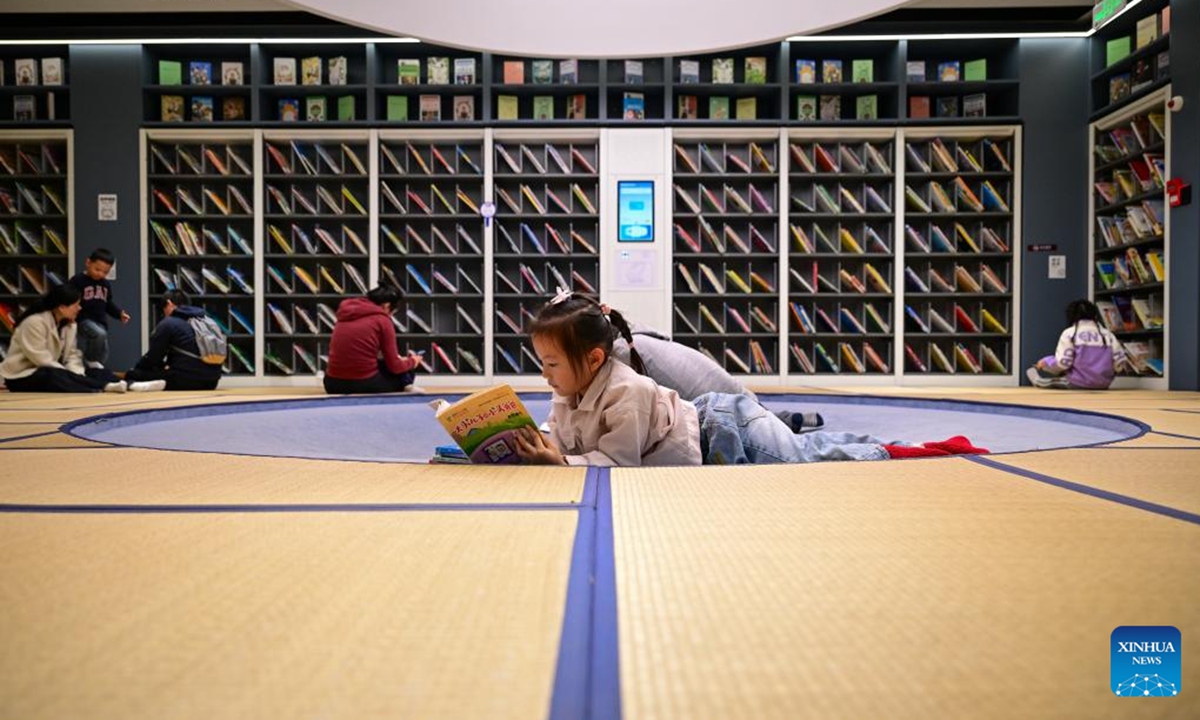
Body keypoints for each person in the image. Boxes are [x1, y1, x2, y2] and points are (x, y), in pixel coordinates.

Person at [513, 290, 987, 466]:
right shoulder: (571, 391)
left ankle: (905, 451)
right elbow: (566, 437)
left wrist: (560, 465)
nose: (545, 374)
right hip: (710, 425)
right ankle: (879, 442)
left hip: (725, 428)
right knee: (810, 448)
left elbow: (618, 463)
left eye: (552, 363)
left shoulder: (627, 387)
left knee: (809, 458)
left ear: (594, 359)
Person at [607, 314, 823, 432]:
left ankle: (777, 424)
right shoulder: (639, 337)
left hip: (729, 412)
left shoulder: (621, 354)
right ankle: (777, 420)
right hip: (740, 398)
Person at [0, 285, 161, 393]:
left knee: (93, 370)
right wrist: (73, 375)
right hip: (22, 376)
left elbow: (72, 355)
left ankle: (131, 385)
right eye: (76, 304)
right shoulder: (34, 322)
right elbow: (42, 359)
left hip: (54, 369)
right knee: (51, 375)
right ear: (62, 307)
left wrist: (78, 372)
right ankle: (104, 386)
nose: (80, 308)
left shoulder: (70, 325)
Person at [324, 285, 422, 394]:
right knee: (406, 371)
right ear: (386, 306)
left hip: (331, 383)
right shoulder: (383, 320)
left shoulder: (344, 315)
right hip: (363, 384)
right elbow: (395, 366)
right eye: (393, 313)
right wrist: (413, 362)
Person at [124, 290, 223, 391]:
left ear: (169, 303)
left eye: (164, 309)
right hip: (212, 381)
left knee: (132, 374)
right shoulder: (207, 321)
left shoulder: (169, 323)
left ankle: (140, 384)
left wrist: (137, 369)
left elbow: (153, 357)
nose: (164, 313)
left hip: (184, 380)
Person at [1026, 299, 1127, 389]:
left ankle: (1035, 377)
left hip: (1077, 382)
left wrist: (1046, 362)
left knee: (1037, 377)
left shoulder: (1069, 333)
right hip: (1103, 384)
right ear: (1095, 315)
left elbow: (1063, 363)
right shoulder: (1107, 334)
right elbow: (1120, 363)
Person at [68, 247, 130, 369]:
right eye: (97, 269)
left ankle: (94, 370)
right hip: (83, 319)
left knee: (103, 350)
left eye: (105, 272)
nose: (100, 274)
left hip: (100, 321)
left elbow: (108, 304)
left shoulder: (105, 284)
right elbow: (70, 300)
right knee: (99, 335)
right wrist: (71, 317)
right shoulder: (78, 280)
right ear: (88, 263)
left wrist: (119, 314)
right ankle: (89, 360)